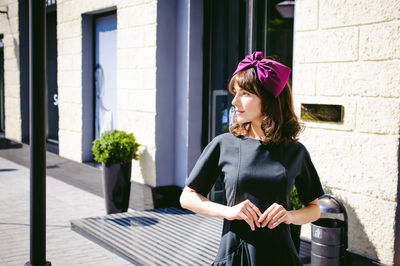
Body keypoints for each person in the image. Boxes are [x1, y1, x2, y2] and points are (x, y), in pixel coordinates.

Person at [179, 51, 325, 266]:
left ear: (268, 99)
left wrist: (290, 216)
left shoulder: (295, 152)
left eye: (245, 93)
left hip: (281, 256)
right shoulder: (223, 144)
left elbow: (314, 209)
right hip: (235, 254)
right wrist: (229, 212)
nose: (235, 101)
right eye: (235, 92)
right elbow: (187, 197)